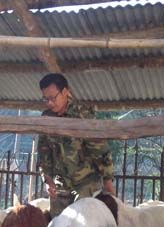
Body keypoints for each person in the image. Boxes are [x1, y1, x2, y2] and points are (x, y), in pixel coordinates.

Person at [37, 73, 115, 218]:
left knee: (84, 226)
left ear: (65, 92)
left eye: (53, 98)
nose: (49, 103)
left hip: (86, 185)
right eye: (45, 99)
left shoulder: (83, 115)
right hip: (60, 186)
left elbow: (100, 150)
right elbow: (44, 153)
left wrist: (108, 183)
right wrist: (48, 180)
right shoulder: (47, 118)